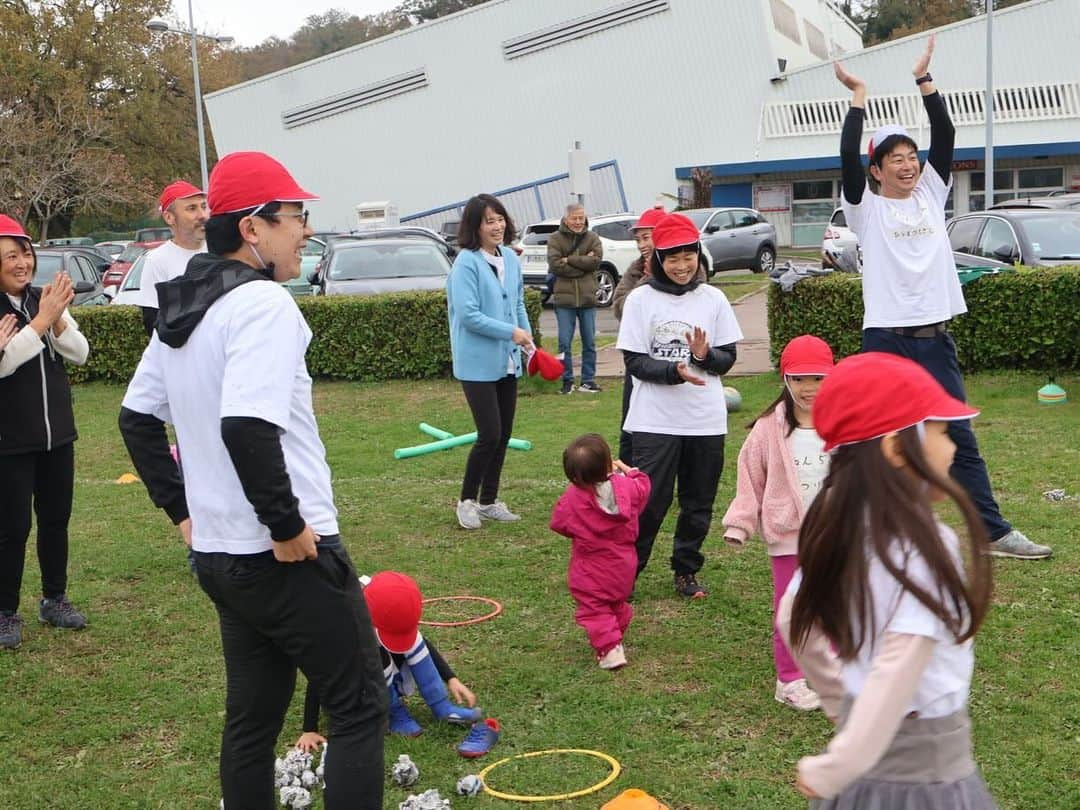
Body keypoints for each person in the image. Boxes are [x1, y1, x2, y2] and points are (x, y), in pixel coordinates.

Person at [117, 152, 386, 809]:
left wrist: (187, 517)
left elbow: (134, 420)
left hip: (221, 557)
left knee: (253, 722)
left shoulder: (185, 309)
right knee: (356, 708)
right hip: (282, 557)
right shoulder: (263, 304)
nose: (304, 231)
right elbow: (246, 427)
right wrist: (287, 525)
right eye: (296, 216)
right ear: (252, 229)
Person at [835, 35, 1050, 559]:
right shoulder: (865, 208)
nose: (908, 165)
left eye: (912, 156)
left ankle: (992, 531)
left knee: (958, 436)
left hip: (935, 339)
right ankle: (870, 529)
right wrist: (859, 95)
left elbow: (946, 132)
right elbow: (846, 155)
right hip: (885, 337)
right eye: (895, 159)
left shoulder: (932, 192)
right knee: (880, 438)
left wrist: (924, 80)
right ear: (876, 170)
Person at [776, 351, 995, 807]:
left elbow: (793, 618)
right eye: (940, 432)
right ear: (897, 447)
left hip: (856, 781)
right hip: (925, 781)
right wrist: (843, 758)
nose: (952, 447)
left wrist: (843, 706)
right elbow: (900, 663)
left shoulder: (842, 525)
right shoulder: (927, 545)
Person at [615, 213, 742, 599]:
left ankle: (686, 570)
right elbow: (634, 362)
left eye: (689, 257)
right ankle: (627, 573)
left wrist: (705, 356)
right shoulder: (640, 299)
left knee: (698, 502)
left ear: (698, 256)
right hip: (655, 421)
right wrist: (675, 371)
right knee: (649, 503)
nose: (682, 266)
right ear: (658, 260)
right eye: (673, 258)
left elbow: (728, 357)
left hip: (704, 421)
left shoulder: (714, 299)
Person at [721, 335, 835, 712]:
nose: (809, 388)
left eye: (817, 378)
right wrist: (739, 523)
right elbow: (749, 476)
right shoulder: (769, 428)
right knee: (791, 610)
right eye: (799, 379)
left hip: (835, 536)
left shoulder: (844, 424)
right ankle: (788, 680)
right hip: (788, 536)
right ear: (785, 380)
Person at [0, 215, 90, 650]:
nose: (22, 263)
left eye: (26, 254)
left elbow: (80, 352)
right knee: (11, 527)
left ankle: (54, 599)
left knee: (56, 520)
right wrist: (40, 323)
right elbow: (3, 364)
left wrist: (54, 319)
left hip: (58, 436)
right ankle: (4, 612)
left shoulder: (45, 298)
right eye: (11, 257)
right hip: (10, 441)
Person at [296, 571, 483, 750]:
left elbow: (421, 644)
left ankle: (441, 706)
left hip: (378, 668)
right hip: (353, 688)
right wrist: (309, 729)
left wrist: (451, 678)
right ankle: (394, 712)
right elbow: (318, 675)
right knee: (374, 654)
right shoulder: (340, 626)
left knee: (410, 643)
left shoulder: (378, 602)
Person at [447, 193, 534, 530]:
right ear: (476, 227)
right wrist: (511, 332)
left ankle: (489, 501)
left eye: (500, 219)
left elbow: (518, 303)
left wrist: (526, 339)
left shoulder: (510, 258)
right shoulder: (466, 263)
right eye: (489, 221)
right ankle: (466, 501)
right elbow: (469, 315)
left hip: (507, 362)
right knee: (489, 433)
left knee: (504, 433)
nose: (497, 226)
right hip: (476, 364)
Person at [550, 434, 651, 670]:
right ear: (608, 464)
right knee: (615, 602)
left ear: (573, 475)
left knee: (593, 607)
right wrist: (631, 471)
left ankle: (610, 650)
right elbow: (643, 489)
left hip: (590, 568)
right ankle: (616, 627)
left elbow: (559, 523)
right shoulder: (627, 486)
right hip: (624, 565)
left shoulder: (573, 497)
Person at [612, 206, 664, 464]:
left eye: (647, 237)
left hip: (670, 361)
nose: (642, 245)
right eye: (638, 239)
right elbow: (620, 306)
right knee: (629, 426)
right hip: (638, 360)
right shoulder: (636, 270)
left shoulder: (686, 268)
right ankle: (626, 481)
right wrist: (646, 283)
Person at [128, 180, 208, 337]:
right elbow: (153, 322)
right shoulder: (157, 260)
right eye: (192, 208)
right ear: (170, 217)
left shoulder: (221, 251)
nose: (202, 215)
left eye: (203, 207)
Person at [547, 203, 603, 394]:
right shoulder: (555, 239)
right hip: (564, 301)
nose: (578, 222)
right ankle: (567, 381)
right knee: (564, 342)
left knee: (590, 342)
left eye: (581, 218)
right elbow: (555, 265)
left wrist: (568, 260)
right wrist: (583, 263)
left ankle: (588, 380)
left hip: (587, 299)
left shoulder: (593, 237)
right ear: (566, 219)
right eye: (574, 218)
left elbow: (596, 262)